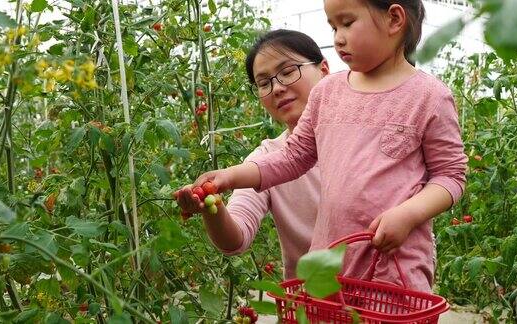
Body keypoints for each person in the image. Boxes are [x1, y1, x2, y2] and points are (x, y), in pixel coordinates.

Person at [183, 0, 467, 292]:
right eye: (333, 26)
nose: (337, 38)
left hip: (394, 268)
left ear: (394, 20)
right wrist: (228, 177)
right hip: (328, 269)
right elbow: (293, 157)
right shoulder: (328, 93)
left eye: (347, 23)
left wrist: (408, 214)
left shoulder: (429, 97)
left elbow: (451, 175)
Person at [174, 30, 329, 279]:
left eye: (288, 71)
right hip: (312, 308)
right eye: (264, 83)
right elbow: (235, 240)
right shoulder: (265, 160)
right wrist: (211, 207)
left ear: (324, 70)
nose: (277, 88)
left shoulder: (364, 136)